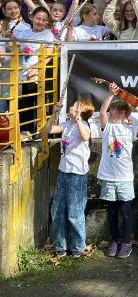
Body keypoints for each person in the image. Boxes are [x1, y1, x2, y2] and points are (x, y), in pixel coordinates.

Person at [98, 84, 138, 259]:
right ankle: (115, 240)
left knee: (126, 211)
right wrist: (109, 95)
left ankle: (127, 242)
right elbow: (101, 113)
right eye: (112, 109)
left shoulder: (130, 130)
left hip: (125, 178)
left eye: (115, 110)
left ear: (122, 113)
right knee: (112, 211)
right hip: (107, 176)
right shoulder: (107, 128)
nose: (112, 112)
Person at [43, 99, 93, 258]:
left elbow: (85, 137)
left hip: (77, 173)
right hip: (63, 172)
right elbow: (46, 130)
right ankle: (60, 245)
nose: (70, 106)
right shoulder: (65, 125)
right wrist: (55, 113)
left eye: (74, 105)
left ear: (80, 110)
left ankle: (78, 246)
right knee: (57, 209)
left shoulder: (83, 125)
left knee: (75, 211)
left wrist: (78, 119)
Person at [18, 6, 55, 140]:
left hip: (36, 74)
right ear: (32, 17)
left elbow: (48, 56)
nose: (40, 22)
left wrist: (34, 70)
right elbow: (14, 48)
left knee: (32, 102)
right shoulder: (24, 33)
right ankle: (23, 131)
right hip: (21, 72)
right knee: (22, 103)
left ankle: (33, 132)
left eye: (43, 20)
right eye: (38, 18)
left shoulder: (48, 35)